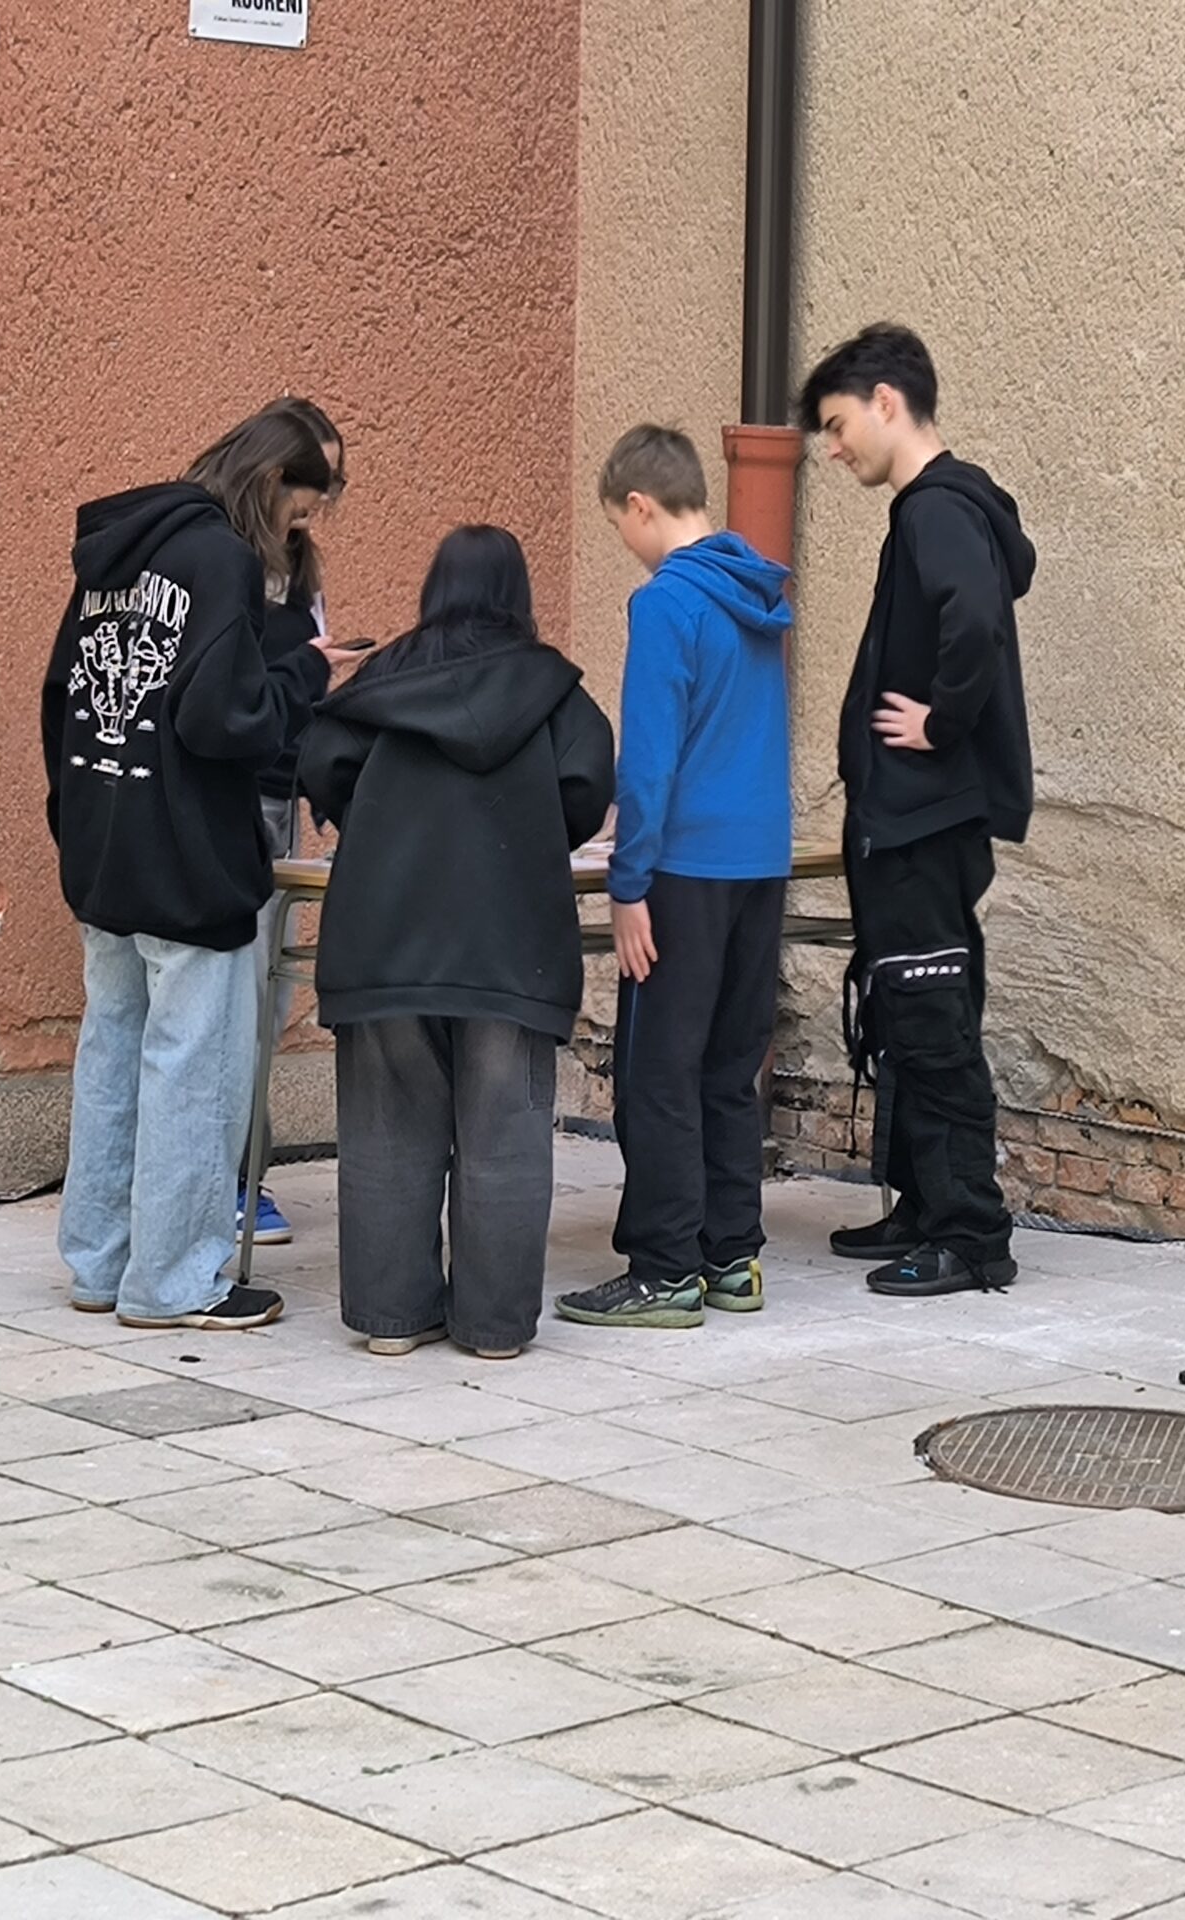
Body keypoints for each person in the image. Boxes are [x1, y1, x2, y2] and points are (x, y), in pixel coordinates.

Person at [43, 405, 355, 1329]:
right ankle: (175, 1282)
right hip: (188, 855)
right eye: (308, 501)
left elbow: (60, 696)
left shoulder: (114, 553)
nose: (307, 522)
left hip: (104, 843)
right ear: (274, 479)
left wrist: (73, 818)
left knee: (112, 1051)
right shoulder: (219, 560)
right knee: (192, 1062)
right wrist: (304, 675)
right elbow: (224, 718)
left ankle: (99, 1263)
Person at [298, 526, 615, 1359]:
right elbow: (587, 785)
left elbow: (321, 763)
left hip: (382, 934)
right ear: (518, 594)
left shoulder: (380, 682)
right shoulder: (555, 691)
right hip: (512, 940)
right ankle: (495, 1327)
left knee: (386, 1129)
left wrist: (375, 821)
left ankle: (392, 1321)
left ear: (434, 589)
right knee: (506, 1134)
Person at [798, 323, 1037, 1298]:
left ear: (886, 403)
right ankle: (926, 1203)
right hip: (913, 819)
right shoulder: (937, 510)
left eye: (836, 424)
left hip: (923, 820)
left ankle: (971, 1235)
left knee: (931, 1014)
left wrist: (940, 721)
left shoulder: (937, 509)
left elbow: (972, 619)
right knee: (909, 1006)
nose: (832, 447)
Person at [556, 426, 794, 1331]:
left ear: (640, 505)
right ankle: (732, 1257)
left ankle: (663, 1270)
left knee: (658, 1071)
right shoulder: (755, 595)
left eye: (619, 523)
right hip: (759, 861)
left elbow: (649, 756)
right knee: (730, 1069)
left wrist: (628, 886)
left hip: (684, 867)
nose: (625, 541)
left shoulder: (666, 603)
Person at [235, 396, 348, 1247]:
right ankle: (231, 1181)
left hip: (285, 800)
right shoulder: (228, 565)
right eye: (317, 483)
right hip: (238, 800)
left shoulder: (301, 570)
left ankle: (244, 1172)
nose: (324, 503)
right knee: (234, 1000)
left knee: (270, 1002)